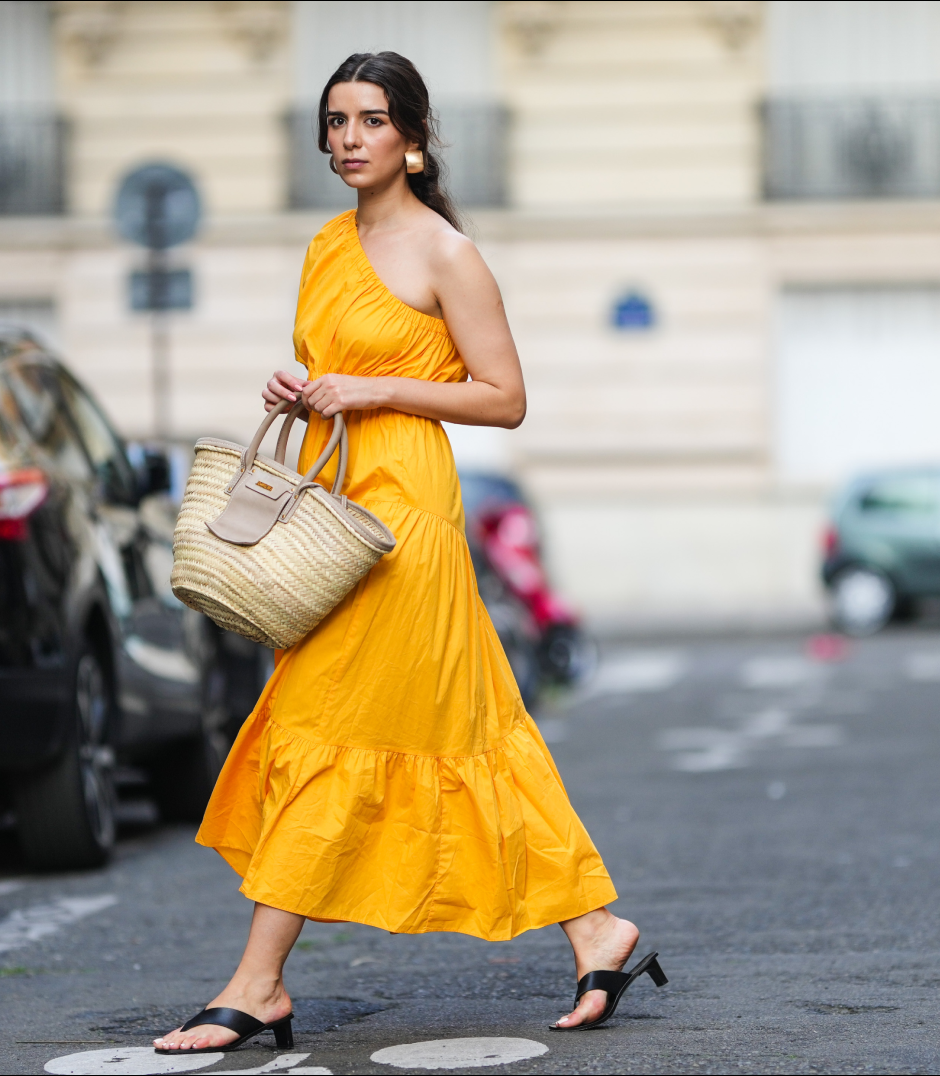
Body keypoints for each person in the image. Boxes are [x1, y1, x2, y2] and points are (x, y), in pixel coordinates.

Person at [155, 51, 664, 1056]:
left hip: (408, 520)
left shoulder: (446, 253)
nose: (349, 137)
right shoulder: (322, 245)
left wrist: (372, 389)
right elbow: (338, 369)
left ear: (413, 138)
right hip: (333, 504)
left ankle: (256, 982)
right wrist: (307, 391)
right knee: (475, 727)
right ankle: (597, 929)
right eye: (335, 120)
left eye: (371, 119)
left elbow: (503, 395)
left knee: (323, 720)